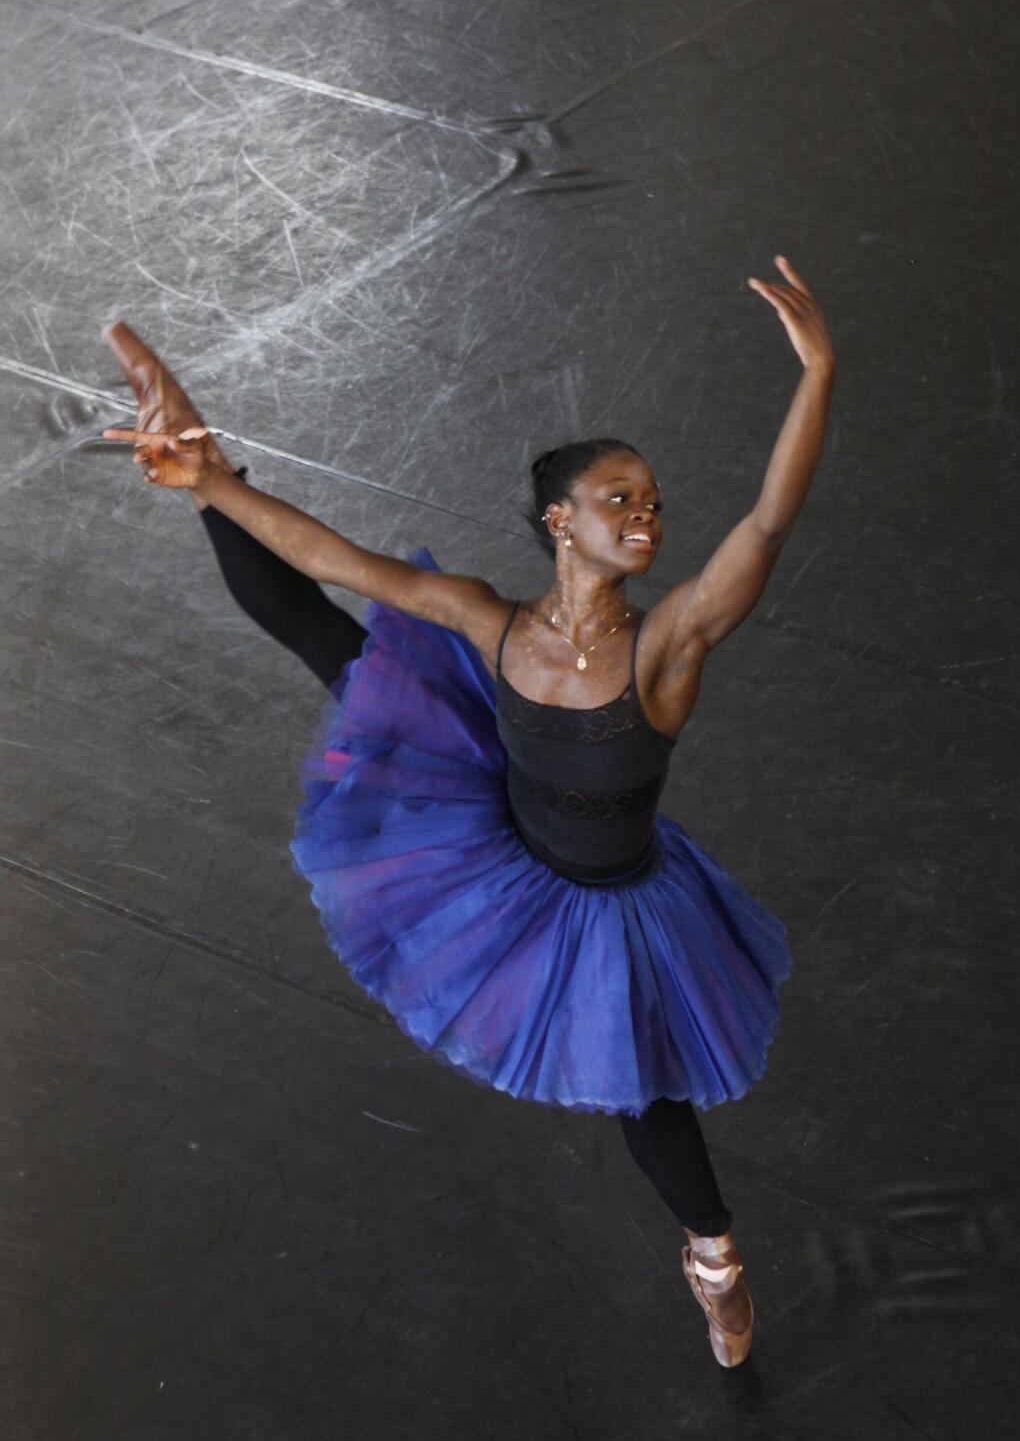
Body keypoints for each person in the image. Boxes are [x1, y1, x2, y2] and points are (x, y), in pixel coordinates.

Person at [100, 256, 835, 1367]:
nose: (648, 516)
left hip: (616, 898)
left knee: (640, 1086)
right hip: (492, 818)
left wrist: (819, 369)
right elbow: (333, 558)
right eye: (619, 499)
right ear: (560, 519)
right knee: (329, 640)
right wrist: (208, 479)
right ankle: (203, 458)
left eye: (655, 502)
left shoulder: (668, 644)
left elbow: (768, 526)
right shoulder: (493, 625)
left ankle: (715, 1255)